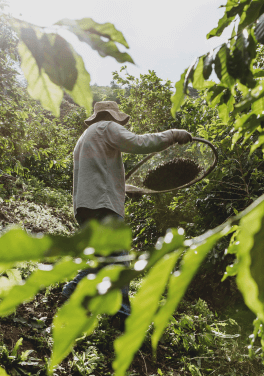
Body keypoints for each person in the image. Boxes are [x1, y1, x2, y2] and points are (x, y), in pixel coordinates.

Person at [62, 101, 192, 329]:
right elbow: (139, 142)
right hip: (103, 206)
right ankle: (121, 313)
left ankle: (77, 291)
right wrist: (173, 134)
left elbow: (98, 174)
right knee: (119, 258)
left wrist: (128, 190)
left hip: (86, 206)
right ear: (111, 117)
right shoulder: (107, 127)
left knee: (106, 258)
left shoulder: (86, 136)